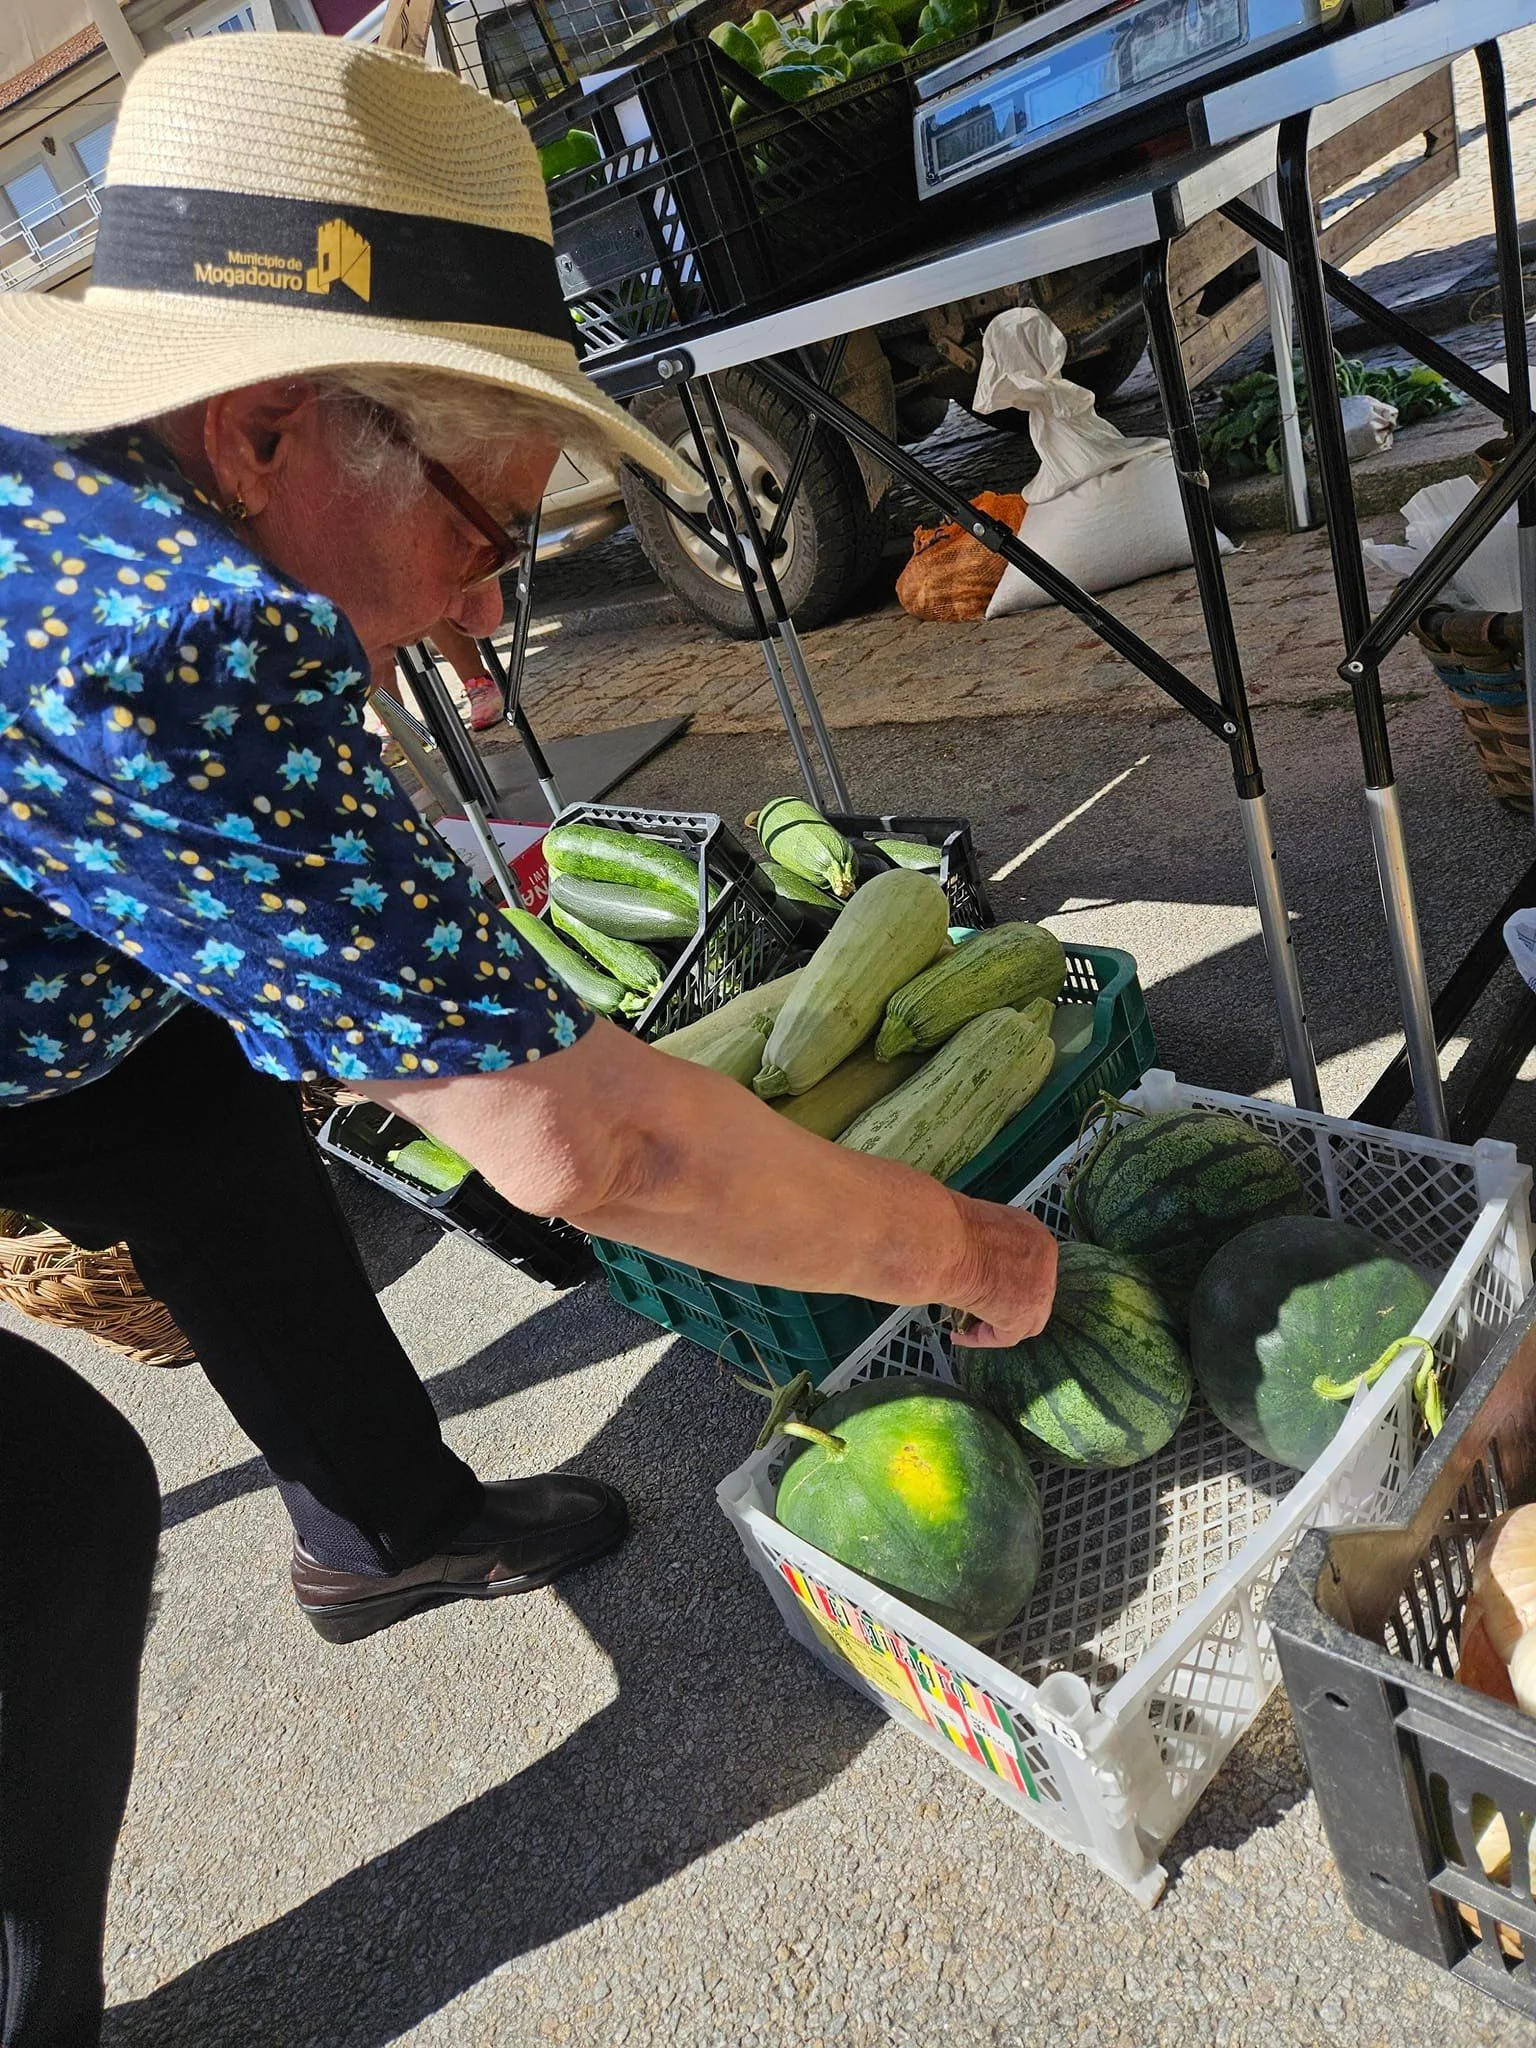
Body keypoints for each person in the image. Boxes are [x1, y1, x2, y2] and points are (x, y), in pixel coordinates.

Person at [0, 31, 1058, 2046]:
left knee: (213, 1108)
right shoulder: (173, 633)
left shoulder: (99, 483)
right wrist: (966, 1250)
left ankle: (386, 1527)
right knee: (38, 1515)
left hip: (33, 976)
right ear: (261, 432)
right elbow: (598, 1155)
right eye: (490, 535)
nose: (491, 618)